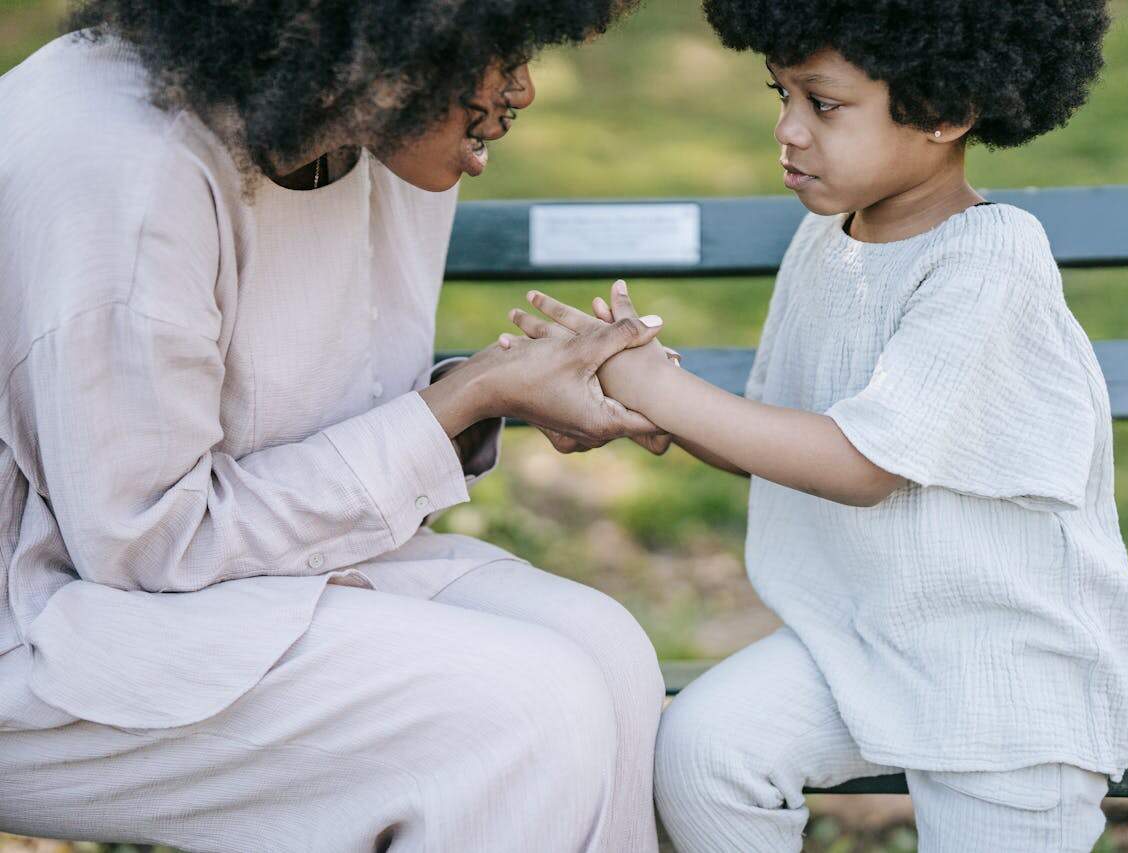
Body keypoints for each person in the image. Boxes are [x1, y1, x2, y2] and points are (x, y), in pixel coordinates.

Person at [0, 2, 671, 851]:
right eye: (492, 48)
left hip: (228, 573)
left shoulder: (365, 116)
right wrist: (461, 399)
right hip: (49, 614)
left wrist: (493, 394)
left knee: (607, 655)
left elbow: (320, 433)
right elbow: (145, 543)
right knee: (525, 716)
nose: (524, 86)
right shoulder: (127, 167)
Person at [504, 0, 1128, 849]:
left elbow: (861, 464)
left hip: (1006, 670)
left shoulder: (989, 259)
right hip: (862, 638)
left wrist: (663, 393)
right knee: (706, 750)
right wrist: (641, 391)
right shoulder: (825, 244)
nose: (787, 130)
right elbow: (783, 440)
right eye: (778, 94)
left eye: (824, 102)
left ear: (947, 109)